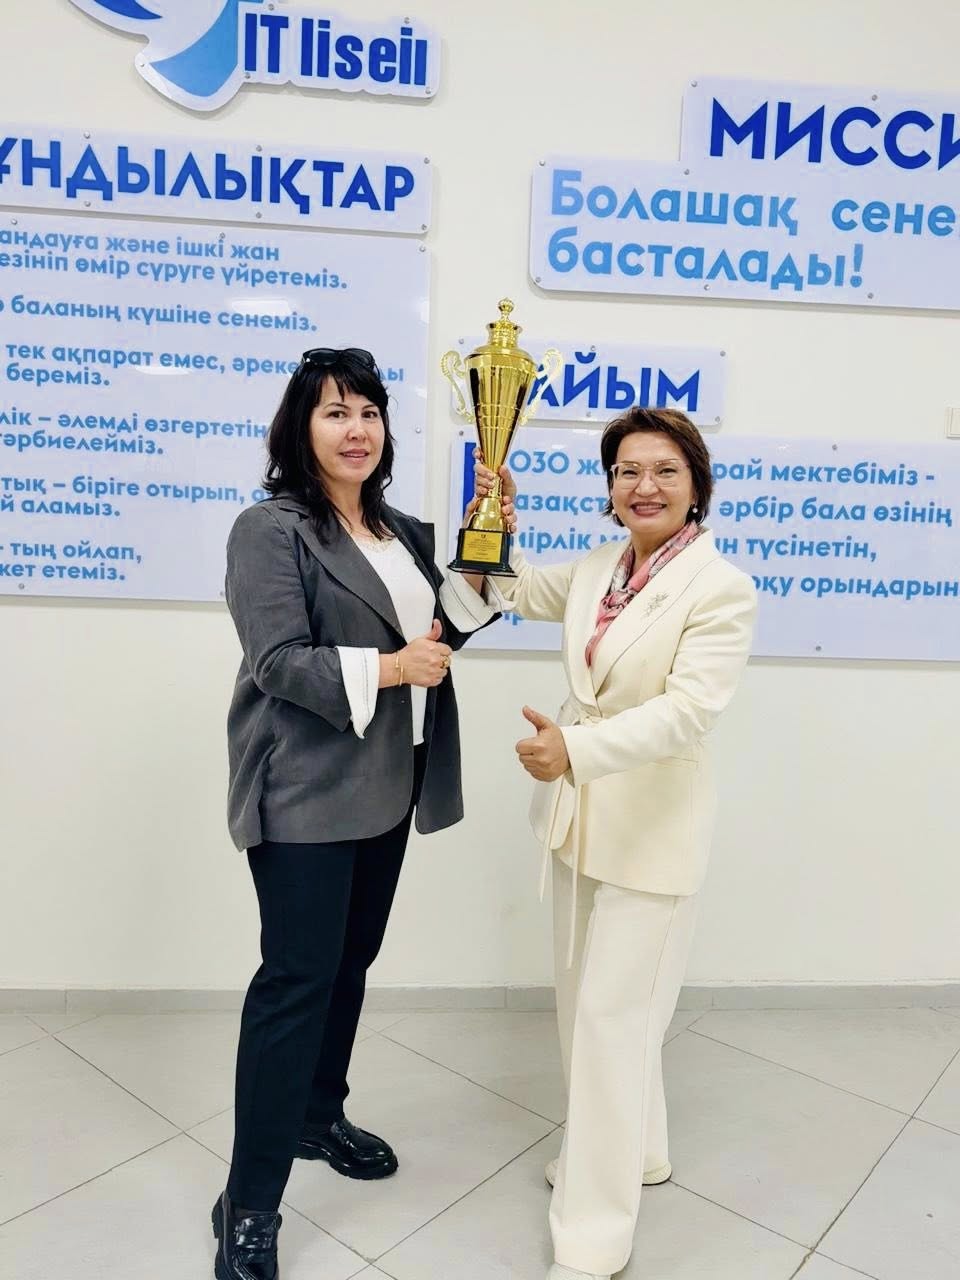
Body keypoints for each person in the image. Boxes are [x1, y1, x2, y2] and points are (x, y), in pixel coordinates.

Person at [213, 347, 498, 1280]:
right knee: (296, 980)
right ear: (301, 428)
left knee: (348, 965)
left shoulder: (402, 530)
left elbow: (445, 631)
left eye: (369, 411)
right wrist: (391, 667)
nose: (356, 429)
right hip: (304, 784)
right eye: (335, 412)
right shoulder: (270, 530)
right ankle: (248, 1204)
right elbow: (278, 662)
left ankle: (316, 1114)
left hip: (389, 778)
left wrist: (488, 541)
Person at [476, 407, 757, 1280]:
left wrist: (574, 749)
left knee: (611, 1024)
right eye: (628, 470)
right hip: (578, 821)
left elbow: (688, 713)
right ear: (609, 486)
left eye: (665, 470)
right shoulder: (602, 566)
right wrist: (496, 522)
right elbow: (517, 590)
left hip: (652, 829)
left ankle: (592, 1234)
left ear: (696, 485)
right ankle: (639, 1150)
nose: (645, 486)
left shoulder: (721, 587)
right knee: (588, 1011)